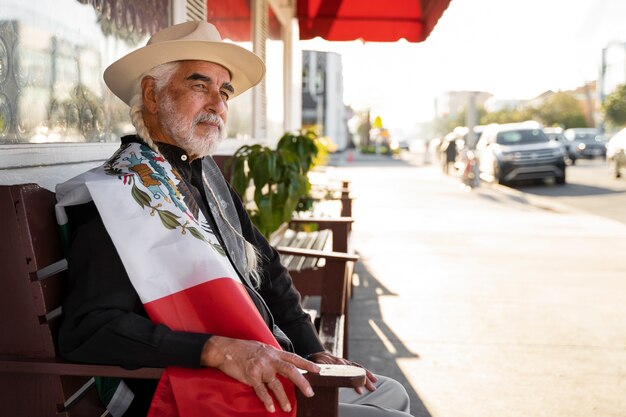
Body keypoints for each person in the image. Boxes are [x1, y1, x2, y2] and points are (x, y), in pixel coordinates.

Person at [55, 21, 412, 417]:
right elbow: (88, 330)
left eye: (224, 91)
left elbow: (270, 271)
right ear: (152, 95)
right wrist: (217, 350)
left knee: (388, 393)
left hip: (255, 368)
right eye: (199, 85)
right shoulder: (118, 194)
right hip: (185, 387)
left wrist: (313, 349)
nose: (218, 103)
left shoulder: (206, 178)